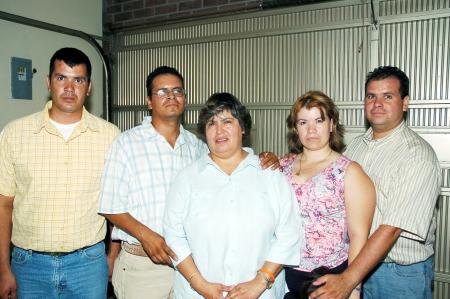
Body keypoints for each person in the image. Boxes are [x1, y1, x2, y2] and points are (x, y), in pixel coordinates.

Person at [98, 67, 278, 298]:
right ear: (149, 101)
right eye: (162, 91)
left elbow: (232, 158)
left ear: (185, 98)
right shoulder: (126, 144)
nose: (171, 96)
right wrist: (147, 236)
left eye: (177, 91)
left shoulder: (198, 147)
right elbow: (111, 207)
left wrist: (263, 158)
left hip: (195, 267)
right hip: (145, 269)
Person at [310, 66, 441, 299]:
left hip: (398, 275)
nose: (377, 103)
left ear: (405, 102)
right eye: (371, 96)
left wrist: (349, 279)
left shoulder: (417, 156)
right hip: (353, 262)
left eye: (387, 96)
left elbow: (391, 229)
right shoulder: (356, 145)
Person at [0, 47, 120, 299]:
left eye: (78, 80)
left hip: (88, 266)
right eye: (61, 77)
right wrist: (3, 268)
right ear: (48, 82)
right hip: (28, 266)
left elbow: (118, 203)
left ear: (89, 87)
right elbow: (4, 206)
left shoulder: (110, 136)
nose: (69, 88)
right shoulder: (14, 134)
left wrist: (113, 257)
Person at [163, 92, 301, 299]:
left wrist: (259, 282)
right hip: (198, 294)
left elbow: (289, 234)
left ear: (242, 127)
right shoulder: (187, 179)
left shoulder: (270, 175)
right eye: (211, 123)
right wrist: (199, 284)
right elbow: (173, 236)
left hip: (261, 293)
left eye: (227, 121)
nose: (219, 130)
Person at [279, 91, 375, 299]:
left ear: (332, 124)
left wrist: (353, 289)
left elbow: (359, 236)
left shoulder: (349, 172)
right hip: (284, 276)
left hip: (329, 281)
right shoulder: (282, 166)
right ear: (296, 128)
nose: (311, 129)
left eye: (319, 120)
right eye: (303, 122)